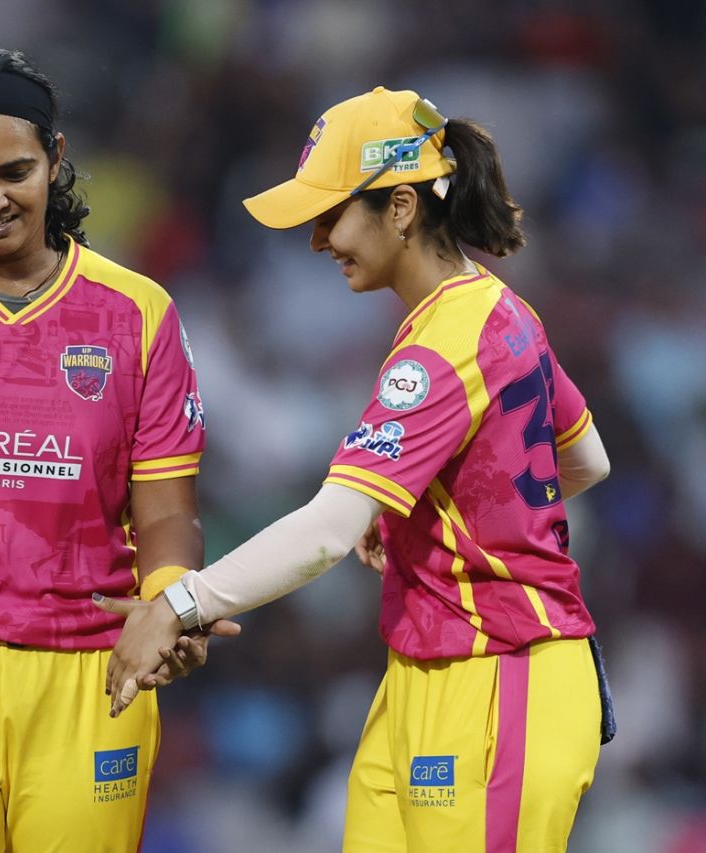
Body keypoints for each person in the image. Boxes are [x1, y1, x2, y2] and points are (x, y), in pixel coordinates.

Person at [99, 86, 614, 853]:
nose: (317, 240)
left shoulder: (442, 345)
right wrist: (415, 513)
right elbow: (585, 457)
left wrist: (179, 604)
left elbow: (325, 533)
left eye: (331, 213)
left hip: (500, 682)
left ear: (400, 207)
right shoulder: (500, 312)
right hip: (428, 675)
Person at [0, 47, 234, 853]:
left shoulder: (139, 313)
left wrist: (167, 601)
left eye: (15, 172)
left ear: (56, 161)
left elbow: (166, 509)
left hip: (93, 682)